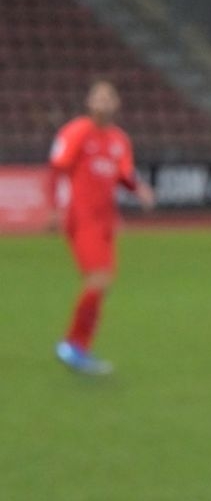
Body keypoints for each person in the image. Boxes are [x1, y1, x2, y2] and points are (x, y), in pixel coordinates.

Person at [46, 79, 155, 376]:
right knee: (97, 280)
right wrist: (53, 208)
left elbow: (124, 174)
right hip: (82, 218)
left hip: (106, 220)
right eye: (99, 97)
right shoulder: (76, 132)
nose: (104, 102)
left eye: (109, 97)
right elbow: (57, 170)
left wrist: (139, 189)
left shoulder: (119, 139)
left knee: (103, 282)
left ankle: (78, 346)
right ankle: (73, 345)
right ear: (89, 102)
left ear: (117, 104)